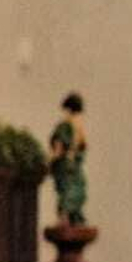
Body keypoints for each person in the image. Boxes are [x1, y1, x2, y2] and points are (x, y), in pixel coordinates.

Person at [49, 91, 89, 226]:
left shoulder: (63, 127)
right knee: (76, 193)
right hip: (75, 168)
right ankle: (73, 219)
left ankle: (64, 219)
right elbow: (83, 147)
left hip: (64, 167)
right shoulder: (80, 128)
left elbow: (58, 149)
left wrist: (48, 161)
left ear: (67, 109)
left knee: (65, 193)